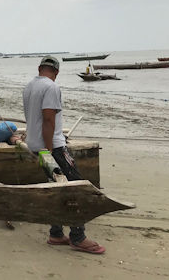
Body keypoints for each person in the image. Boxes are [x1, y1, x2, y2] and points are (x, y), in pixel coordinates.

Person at [23, 55, 106, 254]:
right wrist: (51, 149)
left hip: (34, 145)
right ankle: (78, 237)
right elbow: (48, 119)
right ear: (57, 72)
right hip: (53, 147)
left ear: (39, 68)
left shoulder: (29, 86)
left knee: (55, 187)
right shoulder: (51, 87)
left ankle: (56, 233)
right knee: (75, 187)